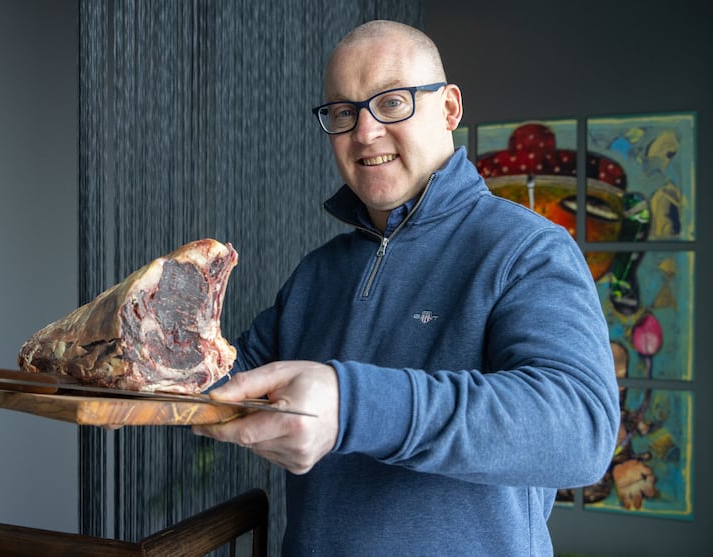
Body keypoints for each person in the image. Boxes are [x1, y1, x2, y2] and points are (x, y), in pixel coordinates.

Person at [193, 19, 619, 556]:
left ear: (449, 108)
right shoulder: (315, 273)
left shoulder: (527, 249)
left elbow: (580, 431)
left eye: (391, 102)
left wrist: (353, 405)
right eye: (344, 112)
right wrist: (116, 356)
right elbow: (221, 382)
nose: (364, 132)